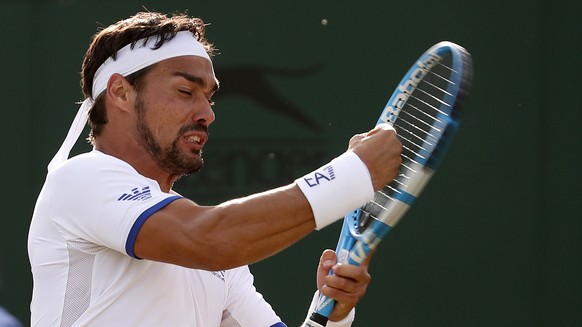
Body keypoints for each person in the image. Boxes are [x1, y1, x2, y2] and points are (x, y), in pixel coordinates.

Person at [28, 11, 402, 327]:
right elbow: (207, 239)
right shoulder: (79, 179)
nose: (207, 114)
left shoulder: (219, 254)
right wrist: (353, 174)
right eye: (185, 92)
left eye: (208, 97)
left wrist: (333, 316)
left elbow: (213, 242)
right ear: (121, 93)